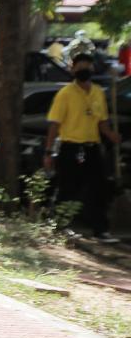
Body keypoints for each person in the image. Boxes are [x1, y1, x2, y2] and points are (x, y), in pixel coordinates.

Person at [44, 52, 122, 244]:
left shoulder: (98, 92)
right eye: (80, 68)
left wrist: (112, 135)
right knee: (68, 188)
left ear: (92, 69)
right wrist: (48, 152)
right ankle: (61, 227)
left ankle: (100, 231)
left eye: (86, 68)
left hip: (92, 148)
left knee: (98, 189)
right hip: (70, 148)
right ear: (73, 70)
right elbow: (54, 125)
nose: (83, 71)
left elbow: (102, 123)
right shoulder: (65, 94)